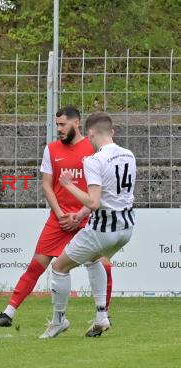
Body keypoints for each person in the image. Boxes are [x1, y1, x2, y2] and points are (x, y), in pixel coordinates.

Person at [0, 106, 114, 327]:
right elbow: (47, 185)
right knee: (36, 265)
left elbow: (102, 187)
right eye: (57, 125)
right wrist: (60, 214)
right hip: (60, 219)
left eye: (63, 124)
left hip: (87, 218)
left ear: (77, 123)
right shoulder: (51, 149)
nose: (59, 129)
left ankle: (103, 315)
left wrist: (80, 213)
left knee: (103, 265)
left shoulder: (93, 149)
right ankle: (8, 313)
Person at [40, 112, 136, 339]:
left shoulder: (94, 159)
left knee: (59, 268)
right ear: (111, 131)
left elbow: (93, 201)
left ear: (90, 132)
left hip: (102, 230)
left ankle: (58, 321)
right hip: (126, 229)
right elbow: (110, 197)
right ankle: (102, 315)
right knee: (94, 260)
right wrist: (80, 214)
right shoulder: (129, 155)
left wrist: (68, 185)